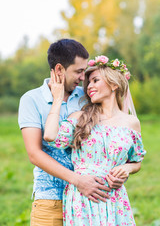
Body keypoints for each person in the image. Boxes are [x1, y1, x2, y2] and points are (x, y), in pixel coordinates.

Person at [18, 40, 127, 226]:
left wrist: (123, 170)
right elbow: (35, 154)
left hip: (90, 200)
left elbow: (116, 134)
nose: (83, 78)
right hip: (51, 199)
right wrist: (78, 181)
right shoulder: (31, 99)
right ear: (59, 69)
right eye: (78, 72)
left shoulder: (89, 97)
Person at [44, 55, 146, 226]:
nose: (89, 86)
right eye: (88, 83)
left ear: (114, 84)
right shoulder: (80, 118)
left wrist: (126, 168)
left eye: (95, 80)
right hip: (82, 197)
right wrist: (57, 99)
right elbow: (50, 136)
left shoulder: (131, 123)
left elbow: (137, 161)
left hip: (115, 198)